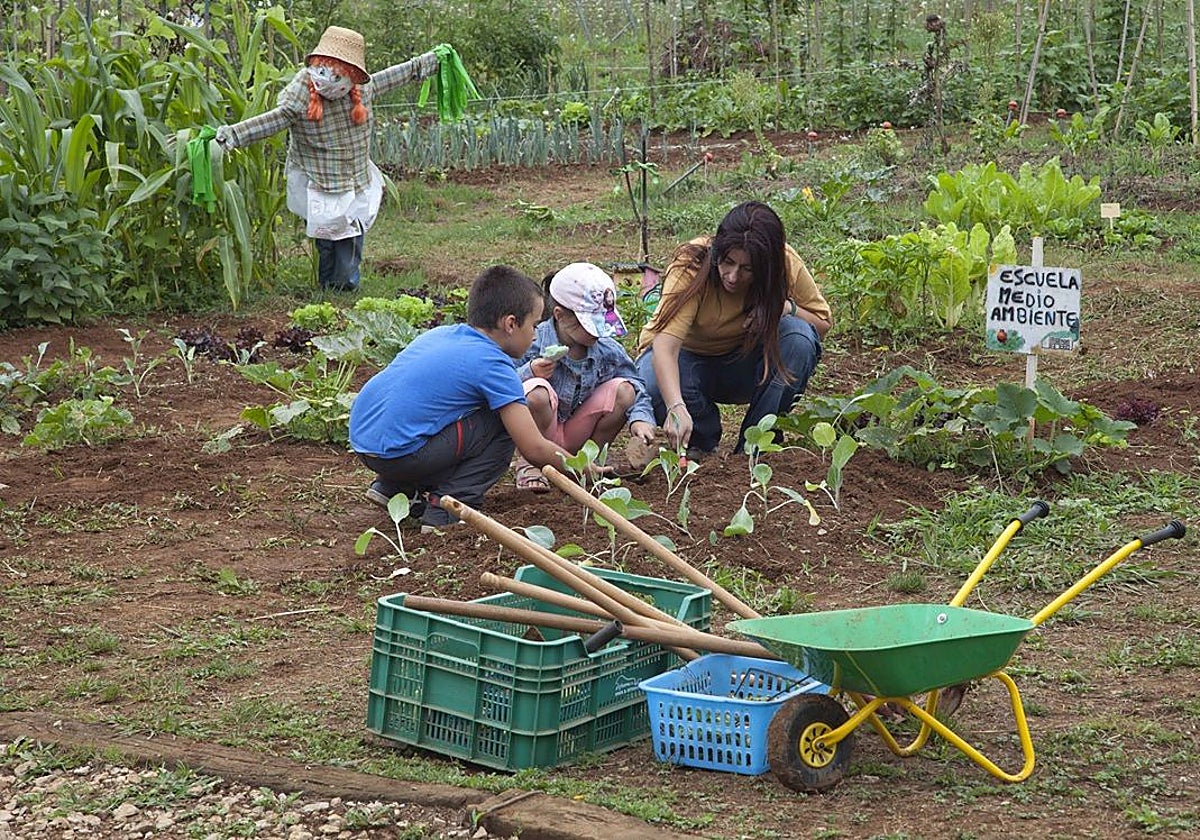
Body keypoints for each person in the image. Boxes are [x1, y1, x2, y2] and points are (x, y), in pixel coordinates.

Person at [348, 265, 588, 531]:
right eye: (533, 325)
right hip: (403, 453)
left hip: (365, 442)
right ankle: (448, 507)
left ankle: (393, 487)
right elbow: (532, 447)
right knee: (506, 424)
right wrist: (582, 468)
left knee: (457, 414)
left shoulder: (442, 334)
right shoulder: (494, 364)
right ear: (510, 324)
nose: (534, 335)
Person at [215, 26, 440, 291]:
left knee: (350, 237)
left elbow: (394, 76)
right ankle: (328, 287)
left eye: (337, 75)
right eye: (322, 71)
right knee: (327, 238)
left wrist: (428, 62)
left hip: (354, 178)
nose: (327, 80)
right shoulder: (299, 96)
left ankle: (346, 285)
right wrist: (232, 136)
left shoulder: (363, 90)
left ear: (353, 76)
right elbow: (271, 121)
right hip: (320, 179)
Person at [635, 201, 832, 457]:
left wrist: (781, 308)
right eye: (728, 262)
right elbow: (665, 346)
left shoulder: (783, 262)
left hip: (745, 363)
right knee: (651, 380)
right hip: (688, 364)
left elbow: (822, 322)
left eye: (747, 269)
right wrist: (675, 406)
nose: (733, 276)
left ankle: (755, 444)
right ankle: (699, 441)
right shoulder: (693, 264)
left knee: (799, 338)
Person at [512, 263, 657, 492]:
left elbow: (635, 385)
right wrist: (530, 371)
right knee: (536, 392)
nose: (596, 332)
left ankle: (589, 464)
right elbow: (501, 382)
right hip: (539, 437)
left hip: (577, 431)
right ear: (559, 315)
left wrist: (640, 419)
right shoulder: (533, 343)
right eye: (589, 324)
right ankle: (531, 465)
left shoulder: (606, 349)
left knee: (625, 390)